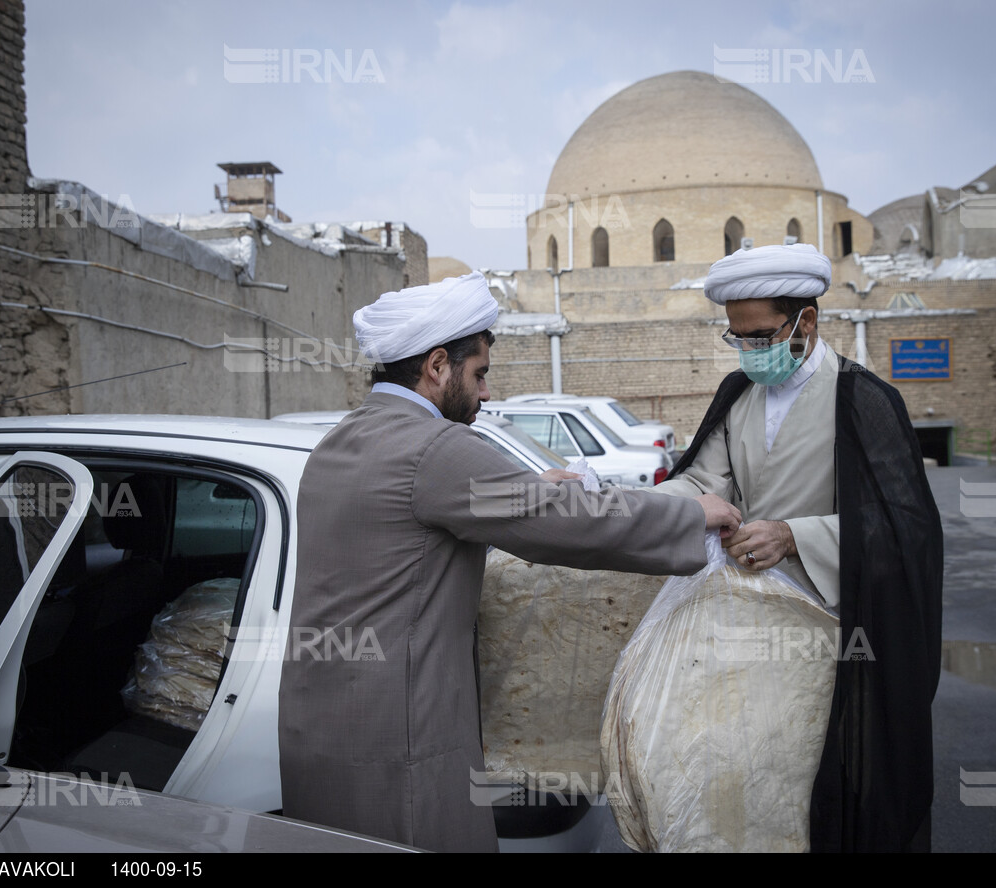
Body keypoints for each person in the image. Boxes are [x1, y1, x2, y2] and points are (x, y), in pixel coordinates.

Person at [278, 271, 741, 853]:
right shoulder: (434, 448)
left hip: (320, 724)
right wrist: (691, 515)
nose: (488, 394)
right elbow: (567, 523)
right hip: (400, 737)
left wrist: (527, 486)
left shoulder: (343, 440)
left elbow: (415, 532)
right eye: (480, 375)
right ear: (437, 366)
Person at [652, 243, 943, 852]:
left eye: (761, 336)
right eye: (738, 339)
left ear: (806, 321)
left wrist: (795, 536)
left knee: (832, 789)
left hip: (836, 637)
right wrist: (635, 505)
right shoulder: (738, 394)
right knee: (755, 783)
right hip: (747, 632)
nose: (750, 352)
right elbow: (705, 482)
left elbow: (905, 527)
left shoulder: (863, 400)